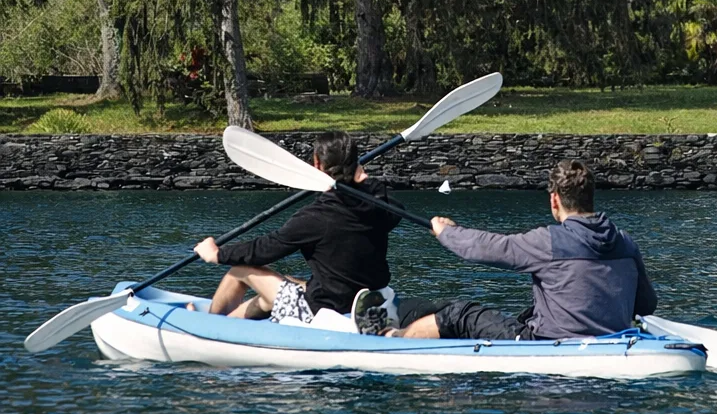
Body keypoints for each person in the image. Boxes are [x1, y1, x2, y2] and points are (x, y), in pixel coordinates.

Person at [389, 159, 656, 342]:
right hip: (614, 340)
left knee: (458, 315)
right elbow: (646, 305)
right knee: (527, 313)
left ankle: (391, 340)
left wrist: (446, 232)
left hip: (547, 342)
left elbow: (487, 248)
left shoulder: (548, 241)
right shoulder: (625, 241)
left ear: (554, 199)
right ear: (590, 196)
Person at [193, 132, 397, 325]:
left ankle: (208, 327)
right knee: (282, 288)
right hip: (363, 300)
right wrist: (366, 185)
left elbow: (265, 250)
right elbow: (397, 210)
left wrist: (218, 254)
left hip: (321, 309)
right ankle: (231, 322)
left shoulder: (315, 217)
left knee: (240, 270)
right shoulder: (376, 208)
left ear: (317, 163)